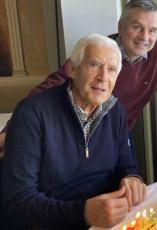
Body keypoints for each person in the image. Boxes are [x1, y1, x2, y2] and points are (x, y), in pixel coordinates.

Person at [0, 0, 157, 154]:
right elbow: (46, 89)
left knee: (131, 187)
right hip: (80, 133)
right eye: (137, 27)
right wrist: (12, 130)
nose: (144, 37)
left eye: (152, 30)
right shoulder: (97, 51)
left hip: (120, 135)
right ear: (121, 26)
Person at [2, 34, 146, 229]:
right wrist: (84, 213)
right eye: (94, 65)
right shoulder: (32, 113)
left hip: (106, 220)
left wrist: (132, 178)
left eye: (111, 70)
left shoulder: (116, 111)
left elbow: (126, 164)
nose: (103, 77)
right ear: (72, 69)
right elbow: (18, 202)